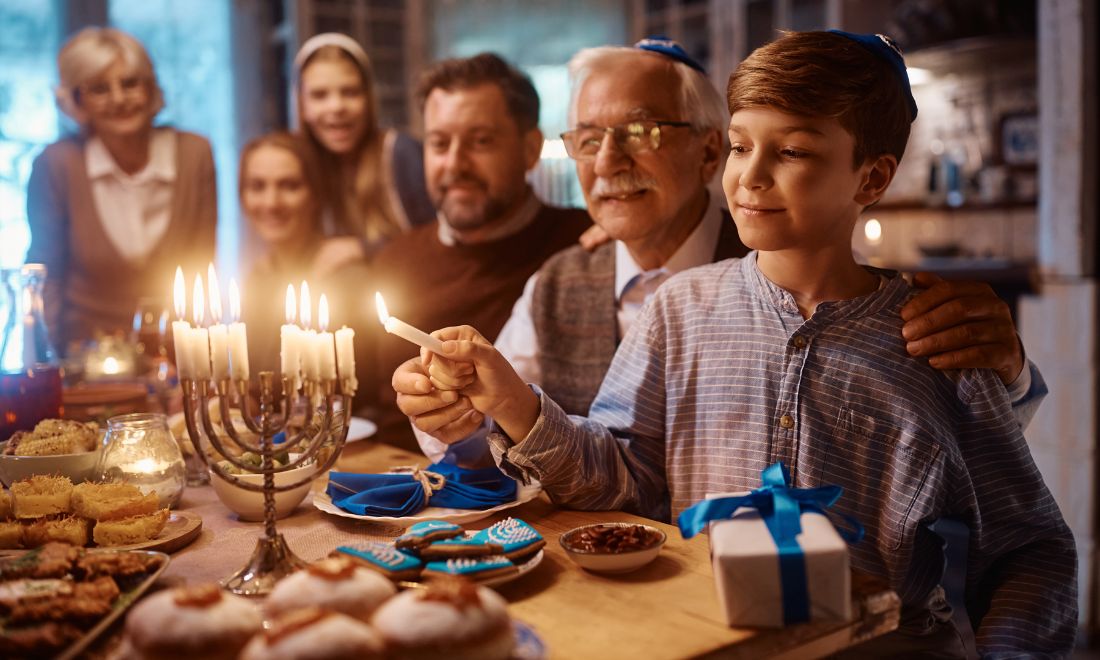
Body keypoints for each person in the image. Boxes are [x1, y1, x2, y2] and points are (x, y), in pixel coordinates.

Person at [408, 31, 1077, 655]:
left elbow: (1030, 549)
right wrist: (514, 403)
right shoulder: (679, 309)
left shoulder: (933, 338)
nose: (751, 176)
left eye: (791, 151)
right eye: (740, 145)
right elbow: (618, 477)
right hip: (702, 641)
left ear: (871, 179)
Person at [396, 39, 1045, 468]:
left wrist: (1009, 371)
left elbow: (974, 452)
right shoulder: (562, 278)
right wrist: (452, 415)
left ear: (708, 152)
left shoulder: (786, 251)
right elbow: (496, 430)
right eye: (589, 139)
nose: (608, 162)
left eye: (640, 133)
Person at [367, 53, 592, 445]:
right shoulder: (395, 260)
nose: (455, 163)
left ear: (530, 148)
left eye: (481, 141)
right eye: (439, 143)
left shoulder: (584, 248)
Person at [26, 27, 216, 354]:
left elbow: (201, 263)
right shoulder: (57, 164)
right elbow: (47, 278)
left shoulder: (194, 154)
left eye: (130, 83)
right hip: (85, 357)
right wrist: (47, 362)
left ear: (151, 87)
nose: (118, 99)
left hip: (175, 354)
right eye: (99, 88)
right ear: (76, 100)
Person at [237, 132, 373, 411]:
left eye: (289, 185)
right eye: (257, 186)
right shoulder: (258, 277)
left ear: (315, 194)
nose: (271, 202)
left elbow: (366, 394)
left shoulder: (347, 277)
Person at [293, 33, 434, 267]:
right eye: (319, 95)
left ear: (369, 99)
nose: (337, 106)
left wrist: (363, 248)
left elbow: (442, 238)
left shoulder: (400, 154)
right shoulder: (305, 167)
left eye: (350, 92)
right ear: (302, 106)